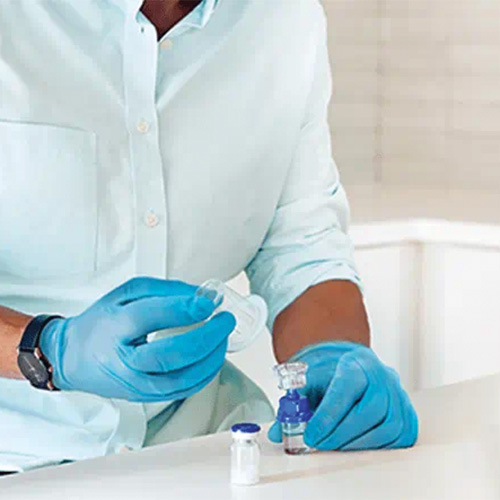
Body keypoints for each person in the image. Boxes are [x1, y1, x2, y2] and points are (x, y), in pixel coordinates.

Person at [0, 0, 418, 472]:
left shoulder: (284, 19)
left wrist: (334, 357)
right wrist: (46, 349)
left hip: (206, 455)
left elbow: (300, 248)